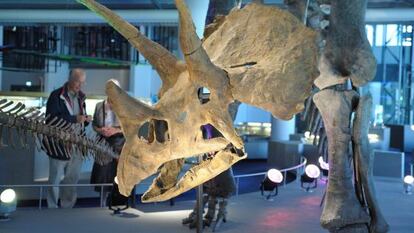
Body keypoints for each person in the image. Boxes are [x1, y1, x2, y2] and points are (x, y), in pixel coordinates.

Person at [45, 68, 91, 208]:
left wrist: (86, 120)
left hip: (77, 146)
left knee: (72, 179)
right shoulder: (56, 95)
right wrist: (74, 119)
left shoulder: (81, 97)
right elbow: (51, 119)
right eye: (77, 81)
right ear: (70, 78)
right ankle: (52, 208)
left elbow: (80, 118)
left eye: (82, 82)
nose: (80, 85)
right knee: (55, 179)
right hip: (59, 145)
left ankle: (67, 208)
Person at [90, 79, 125, 204]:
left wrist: (115, 130)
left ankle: (117, 203)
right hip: (102, 144)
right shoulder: (99, 105)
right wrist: (100, 130)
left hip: (118, 146)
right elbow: (94, 124)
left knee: (116, 176)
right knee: (102, 176)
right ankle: (102, 204)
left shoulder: (124, 107)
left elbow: (129, 127)